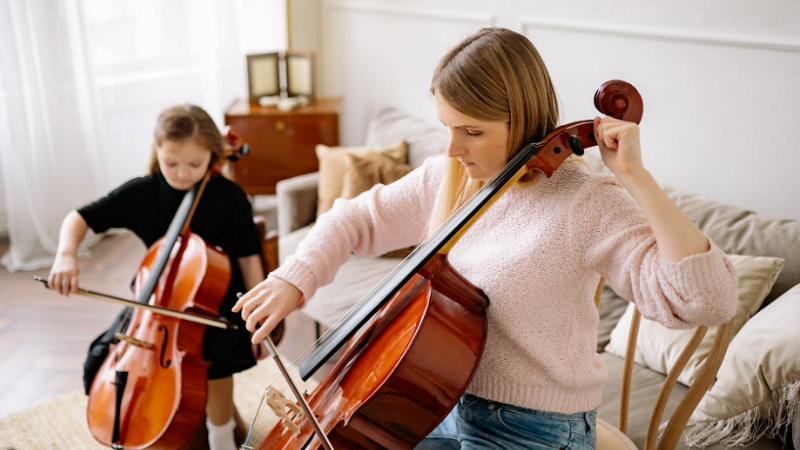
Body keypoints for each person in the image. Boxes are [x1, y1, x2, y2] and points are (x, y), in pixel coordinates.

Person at [234, 27, 738, 449]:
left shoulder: (586, 202)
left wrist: (636, 178)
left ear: (521, 120)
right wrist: (293, 281)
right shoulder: (451, 177)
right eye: (446, 127)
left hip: (535, 429)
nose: (453, 148)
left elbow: (706, 301)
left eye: (471, 132)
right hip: (441, 404)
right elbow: (353, 219)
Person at [48, 104, 266, 450]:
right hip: (157, 301)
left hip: (214, 299)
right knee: (104, 355)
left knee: (212, 353)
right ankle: (144, 418)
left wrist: (259, 315)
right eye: (171, 163)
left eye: (195, 164)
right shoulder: (143, 192)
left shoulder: (229, 197)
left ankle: (221, 434)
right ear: (157, 151)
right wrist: (65, 255)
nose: (181, 174)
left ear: (213, 155)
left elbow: (249, 257)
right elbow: (80, 217)